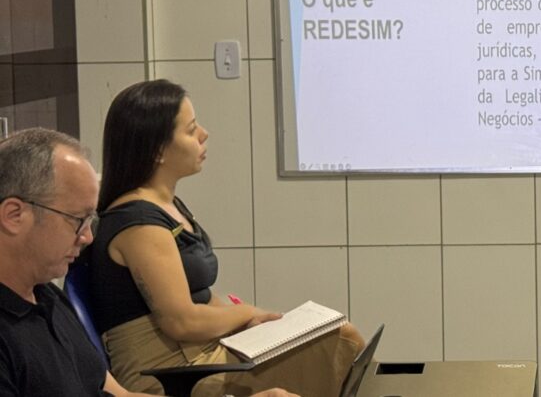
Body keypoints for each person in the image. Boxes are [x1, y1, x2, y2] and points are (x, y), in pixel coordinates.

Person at [81, 80, 363, 396]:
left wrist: (251, 323)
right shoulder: (139, 224)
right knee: (342, 342)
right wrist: (248, 314)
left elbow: (201, 297)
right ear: (158, 150)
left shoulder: (168, 207)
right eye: (191, 130)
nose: (204, 134)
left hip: (204, 354)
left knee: (337, 335)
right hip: (173, 372)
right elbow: (182, 322)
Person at [0, 127, 297, 397]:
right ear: (14, 215)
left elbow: (120, 395)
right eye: (77, 220)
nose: (87, 237)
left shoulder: (47, 298)